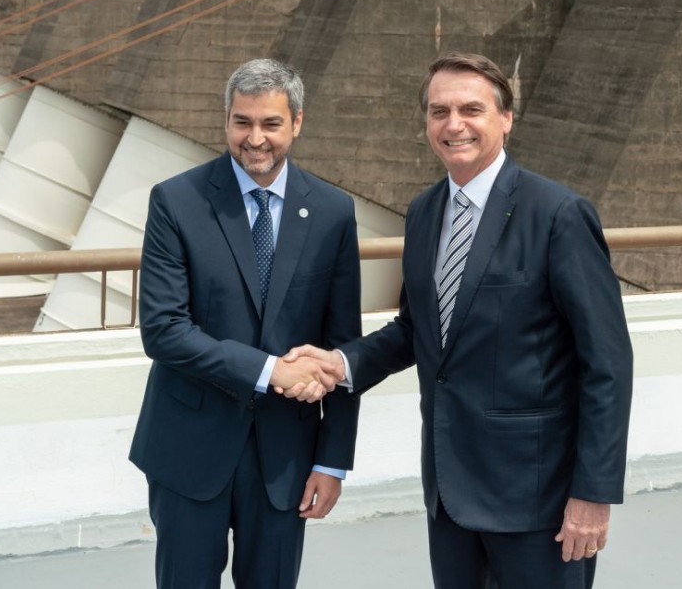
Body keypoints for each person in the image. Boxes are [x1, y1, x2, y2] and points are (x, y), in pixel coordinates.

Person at [283, 52, 634, 588]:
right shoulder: (425, 212)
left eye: (472, 109)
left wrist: (594, 494)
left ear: (506, 118)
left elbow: (607, 363)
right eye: (438, 111)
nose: (454, 125)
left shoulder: (558, 215)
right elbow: (417, 328)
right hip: (449, 492)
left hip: (537, 499)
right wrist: (340, 362)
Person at [129, 58, 362, 589]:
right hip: (189, 451)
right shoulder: (177, 201)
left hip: (285, 459)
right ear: (227, 121)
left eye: (270, 124)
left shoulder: (332, 211)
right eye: (242, 122)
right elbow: (163, 329)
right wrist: (269, 371)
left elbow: (342, 347)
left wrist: (332, 461)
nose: (255, 139)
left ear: (297, 123)